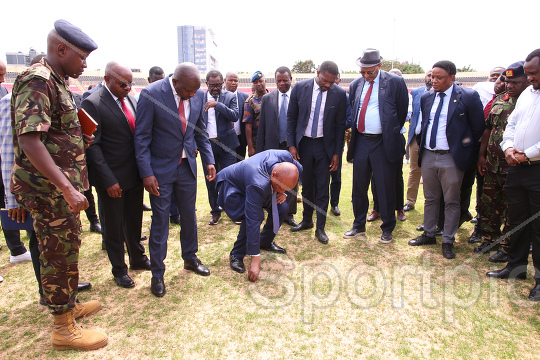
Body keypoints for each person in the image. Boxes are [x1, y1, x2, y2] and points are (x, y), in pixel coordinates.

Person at [10, 20, 107, 351]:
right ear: (61, 50)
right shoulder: (37, 81)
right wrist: (66, 187)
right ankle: (62, 328)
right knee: (56, 254)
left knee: (68, 248)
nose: (85, 65)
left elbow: (55, 135)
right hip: (49, 191)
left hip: (61, 190)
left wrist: (83, 139)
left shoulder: (58, 81)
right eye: (82, 58)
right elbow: (29, 141)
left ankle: (69, 307)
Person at [135, 62, 216, 298]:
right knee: (160, 221)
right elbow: (141, 138)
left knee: (189, 216)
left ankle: (190, 258)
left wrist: (208, 160)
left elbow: (200, 131)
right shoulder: (151, 94)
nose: (192, 95)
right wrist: (146, 173)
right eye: (188, 91)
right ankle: (157, 273)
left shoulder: (198, 94)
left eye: (195, 91)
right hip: (160, 171)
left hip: (187, 168)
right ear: (176, 81)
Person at [83, 62, 150, 288]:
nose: (128, 88)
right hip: (111, 179)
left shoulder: (131, 99)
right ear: (107, 79)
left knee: (134, 221)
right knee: (113, 226)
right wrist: (108, 180)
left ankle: (138, 258)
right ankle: (119, 269)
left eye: (131, 83)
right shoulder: (92, 103)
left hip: (134, 175)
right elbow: (93, 147)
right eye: (123, 83)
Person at [409, 60, 485, 259]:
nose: (434, 81)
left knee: (452, 200)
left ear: (452, 77)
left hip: (451, 158)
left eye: (439, 77)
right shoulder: (426, 98)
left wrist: (462, 148)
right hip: (428, 155)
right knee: (430, 198)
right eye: (432, 77)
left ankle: (448, 240)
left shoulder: (468, 96)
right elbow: (425, 124)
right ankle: (429, 233)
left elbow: (478, 127)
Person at [488, 49, 540, 301]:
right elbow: (513, 125)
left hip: (536, 168)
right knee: (518, 220)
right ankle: (515, 267)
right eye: (527, 74)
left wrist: (527, 154)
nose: (529, 78)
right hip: (517, 167)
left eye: (533, 74)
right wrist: (508, 147)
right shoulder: (528, 95)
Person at [343, 49, 409, 244]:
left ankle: (387, 227)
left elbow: (402, 110)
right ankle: (358, 224)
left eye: (370, 72)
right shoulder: (356, 85)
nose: (366, 75)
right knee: (359, 186)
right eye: (362, 72)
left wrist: (387, 130)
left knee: (384, 186)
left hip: (383, 142)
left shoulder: (395, 82)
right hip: (362, 141)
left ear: (379, 66)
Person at [216, 150, 301, 281]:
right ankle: (236, 254)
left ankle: (265, 242)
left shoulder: (286, 157)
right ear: (274, 174)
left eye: (286, 189)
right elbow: (253, 219)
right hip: (233, 186)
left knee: (282, 207)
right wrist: (255, 258)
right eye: (281, 188)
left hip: (258, 182)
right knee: (251, 216)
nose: (283, 191)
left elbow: (299, 170)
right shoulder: (258, 183)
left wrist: (284, 192)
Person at [475, 62, 529, 263]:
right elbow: (488, 129)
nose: (509, 86)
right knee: (489, 203)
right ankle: (489, 240)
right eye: (507, 81)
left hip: (517, 167)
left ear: (527, 80)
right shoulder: (500, 100)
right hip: (492, 165)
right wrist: (481, 156)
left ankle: (508, 247)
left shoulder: (529, 103)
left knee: (512, 209)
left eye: (515, 82)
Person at [287, 61, 347, 244]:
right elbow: (291, 117)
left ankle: (320, 228)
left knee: (323, 187)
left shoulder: (339, 94)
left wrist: (337, 153)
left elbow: (340, 127)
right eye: (325, 80)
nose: (327, 85)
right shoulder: (299, 88)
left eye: (332, 82)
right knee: (307, 185)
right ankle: (307, 220)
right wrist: (291, 144)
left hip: (325, 147)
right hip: (304, 145)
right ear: (318, 72)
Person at [256, 66, 299, 228]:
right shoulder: (267, 99)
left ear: (290, 79)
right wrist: (260, 153)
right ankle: (273, 210)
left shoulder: (297, 96)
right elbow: (262, 128)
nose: (282, 83)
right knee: (273, 178)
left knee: (292, 178)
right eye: (278, 80)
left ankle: (289, 214)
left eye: (285, 80)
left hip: (292, 146)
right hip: (272, 147)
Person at [201, 70, 239, 226]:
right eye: (212, 85)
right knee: (211, 180)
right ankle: (215, 211)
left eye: (218, 85)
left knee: (230, 180)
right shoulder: (199, 98)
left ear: (223, 83)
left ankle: (233, 211)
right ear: (206, 84)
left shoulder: (229, 97)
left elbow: (235, 116)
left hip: (227, 145)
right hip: (208, 146)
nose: (215, 88)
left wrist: (217, 105)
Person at [404, 70, 432, 212]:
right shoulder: (416, 93)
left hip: (432, 139)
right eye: (429, 75)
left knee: (432, 172)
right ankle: (410, 201)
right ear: (425, 77)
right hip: (416, 137)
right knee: (414, 170)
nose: (431, 78)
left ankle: (432, 203)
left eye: (435, 75)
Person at [329, 73, 353, 217]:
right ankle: (320, 203)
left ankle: (334, 204)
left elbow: (349, 120)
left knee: (335, 175)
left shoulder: (345, 97)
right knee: (320, 176)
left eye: (334, 79)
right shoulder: (321, 95)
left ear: (338, 79)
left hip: (336, 142)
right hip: (320, 143)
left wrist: (331, 126)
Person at [225, 72, 249, 161]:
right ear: (225, 81)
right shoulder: (220, 96)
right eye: (230, 80)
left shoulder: (245, 97)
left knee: (239, 166)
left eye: (236, 80)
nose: (233, 83)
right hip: (225, 139)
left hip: (240, 139)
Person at [244, 71, 269, 157]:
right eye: (255, 82)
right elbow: (248, 125)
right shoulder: (250, 102)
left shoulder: (274, 97)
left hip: (272, 141)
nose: (258, 84)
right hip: (257, 143)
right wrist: (250, 148)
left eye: (261, 81)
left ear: (265, 81)